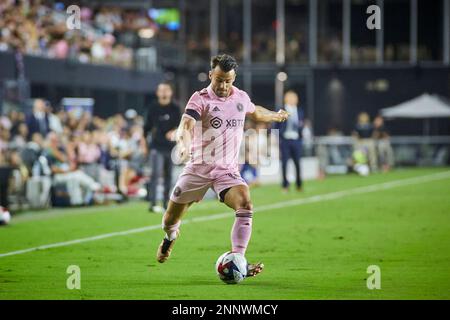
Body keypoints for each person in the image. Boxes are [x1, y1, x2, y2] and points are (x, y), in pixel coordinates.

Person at [155, 54, 289, 279]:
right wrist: (183, 145)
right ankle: (170, 238)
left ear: (233, 78)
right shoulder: (200, 99)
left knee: (245, 202)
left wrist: (275, 116)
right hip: (197, 168)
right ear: (210, 75)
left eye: (228, 80)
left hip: (226, 171)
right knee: (170, 219)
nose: (223, 85)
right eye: (219, 79)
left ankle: (239, 259)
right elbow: (185, 126)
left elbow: (255, 111)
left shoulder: (240, 97)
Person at [144, 82, 181, 213]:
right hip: (156, 147)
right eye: (161, 90)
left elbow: (180, 126)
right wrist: (145, 146)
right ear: (158, 93)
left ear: (170, 92)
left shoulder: (175, 108)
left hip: (171, 148)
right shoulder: (152, 108)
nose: (164, 93)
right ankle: (153, 203)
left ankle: (166, 203)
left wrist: (175, 131)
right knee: (155, 174)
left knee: (169, 176)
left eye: (166, 90)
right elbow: (146, 129)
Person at [275, 90, 304, 193]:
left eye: (294, 97)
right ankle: (285, 185)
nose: (293, 99)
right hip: (285, 140)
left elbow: (301, 125)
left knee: (297, 163)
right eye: (290, 97)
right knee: (285, 164)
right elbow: (276, 125)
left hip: (296, 140)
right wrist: (277, 138)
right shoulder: (281, 110)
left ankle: (299, 185)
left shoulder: (299, 111)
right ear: (286, 99)